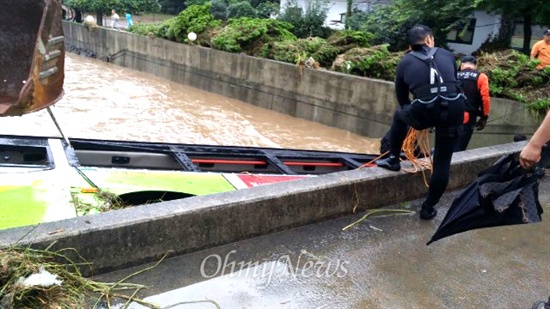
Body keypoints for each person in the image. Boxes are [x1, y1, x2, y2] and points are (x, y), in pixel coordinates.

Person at [376, 24, 466, 220]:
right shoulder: (447, 55)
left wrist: (416, 118)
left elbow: (402, 99)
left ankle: (393, 159)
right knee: (442, 162)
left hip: (425, 109)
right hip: (455, 108)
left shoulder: (405, 62)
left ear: (409, 46)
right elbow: (452, 82)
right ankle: (428, 208)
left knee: (400, 115)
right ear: (428, 40)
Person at [455, 55, 491, 151]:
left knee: (445, 147)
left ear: (461, 65)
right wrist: (484, 117)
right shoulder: (481, 77)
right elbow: (485, 98)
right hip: (467, 118)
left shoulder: (453, 75)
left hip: (448, 116)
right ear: (475, 65)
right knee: (459, 148)